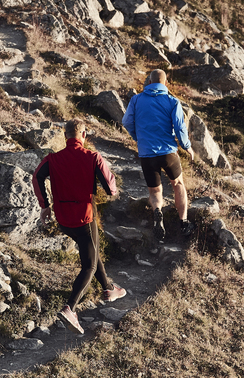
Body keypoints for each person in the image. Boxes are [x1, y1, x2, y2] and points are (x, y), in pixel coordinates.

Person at [32, 118, 126, 335]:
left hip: (63, 218)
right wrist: (108, 188)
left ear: (66, 136)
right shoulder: (92, 157)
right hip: (84, 217)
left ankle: (109, 289)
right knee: (89, 265)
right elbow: (111, 188)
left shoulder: (53, 159)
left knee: (90, 250)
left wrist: (45, 205)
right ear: (84, 135)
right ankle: (70, 308)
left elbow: (37, 177)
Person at [121, 69, 195, 241]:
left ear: (149, 82)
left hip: (147, 154)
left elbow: (126, 121)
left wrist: (138, 137)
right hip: (168, 152)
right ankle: (183, 222)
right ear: (166, 83)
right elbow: (179, 127)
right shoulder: (172, 101)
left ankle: (157, 212)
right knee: (178, 184)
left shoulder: (136, 99)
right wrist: (187, 147)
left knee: (155, 190)